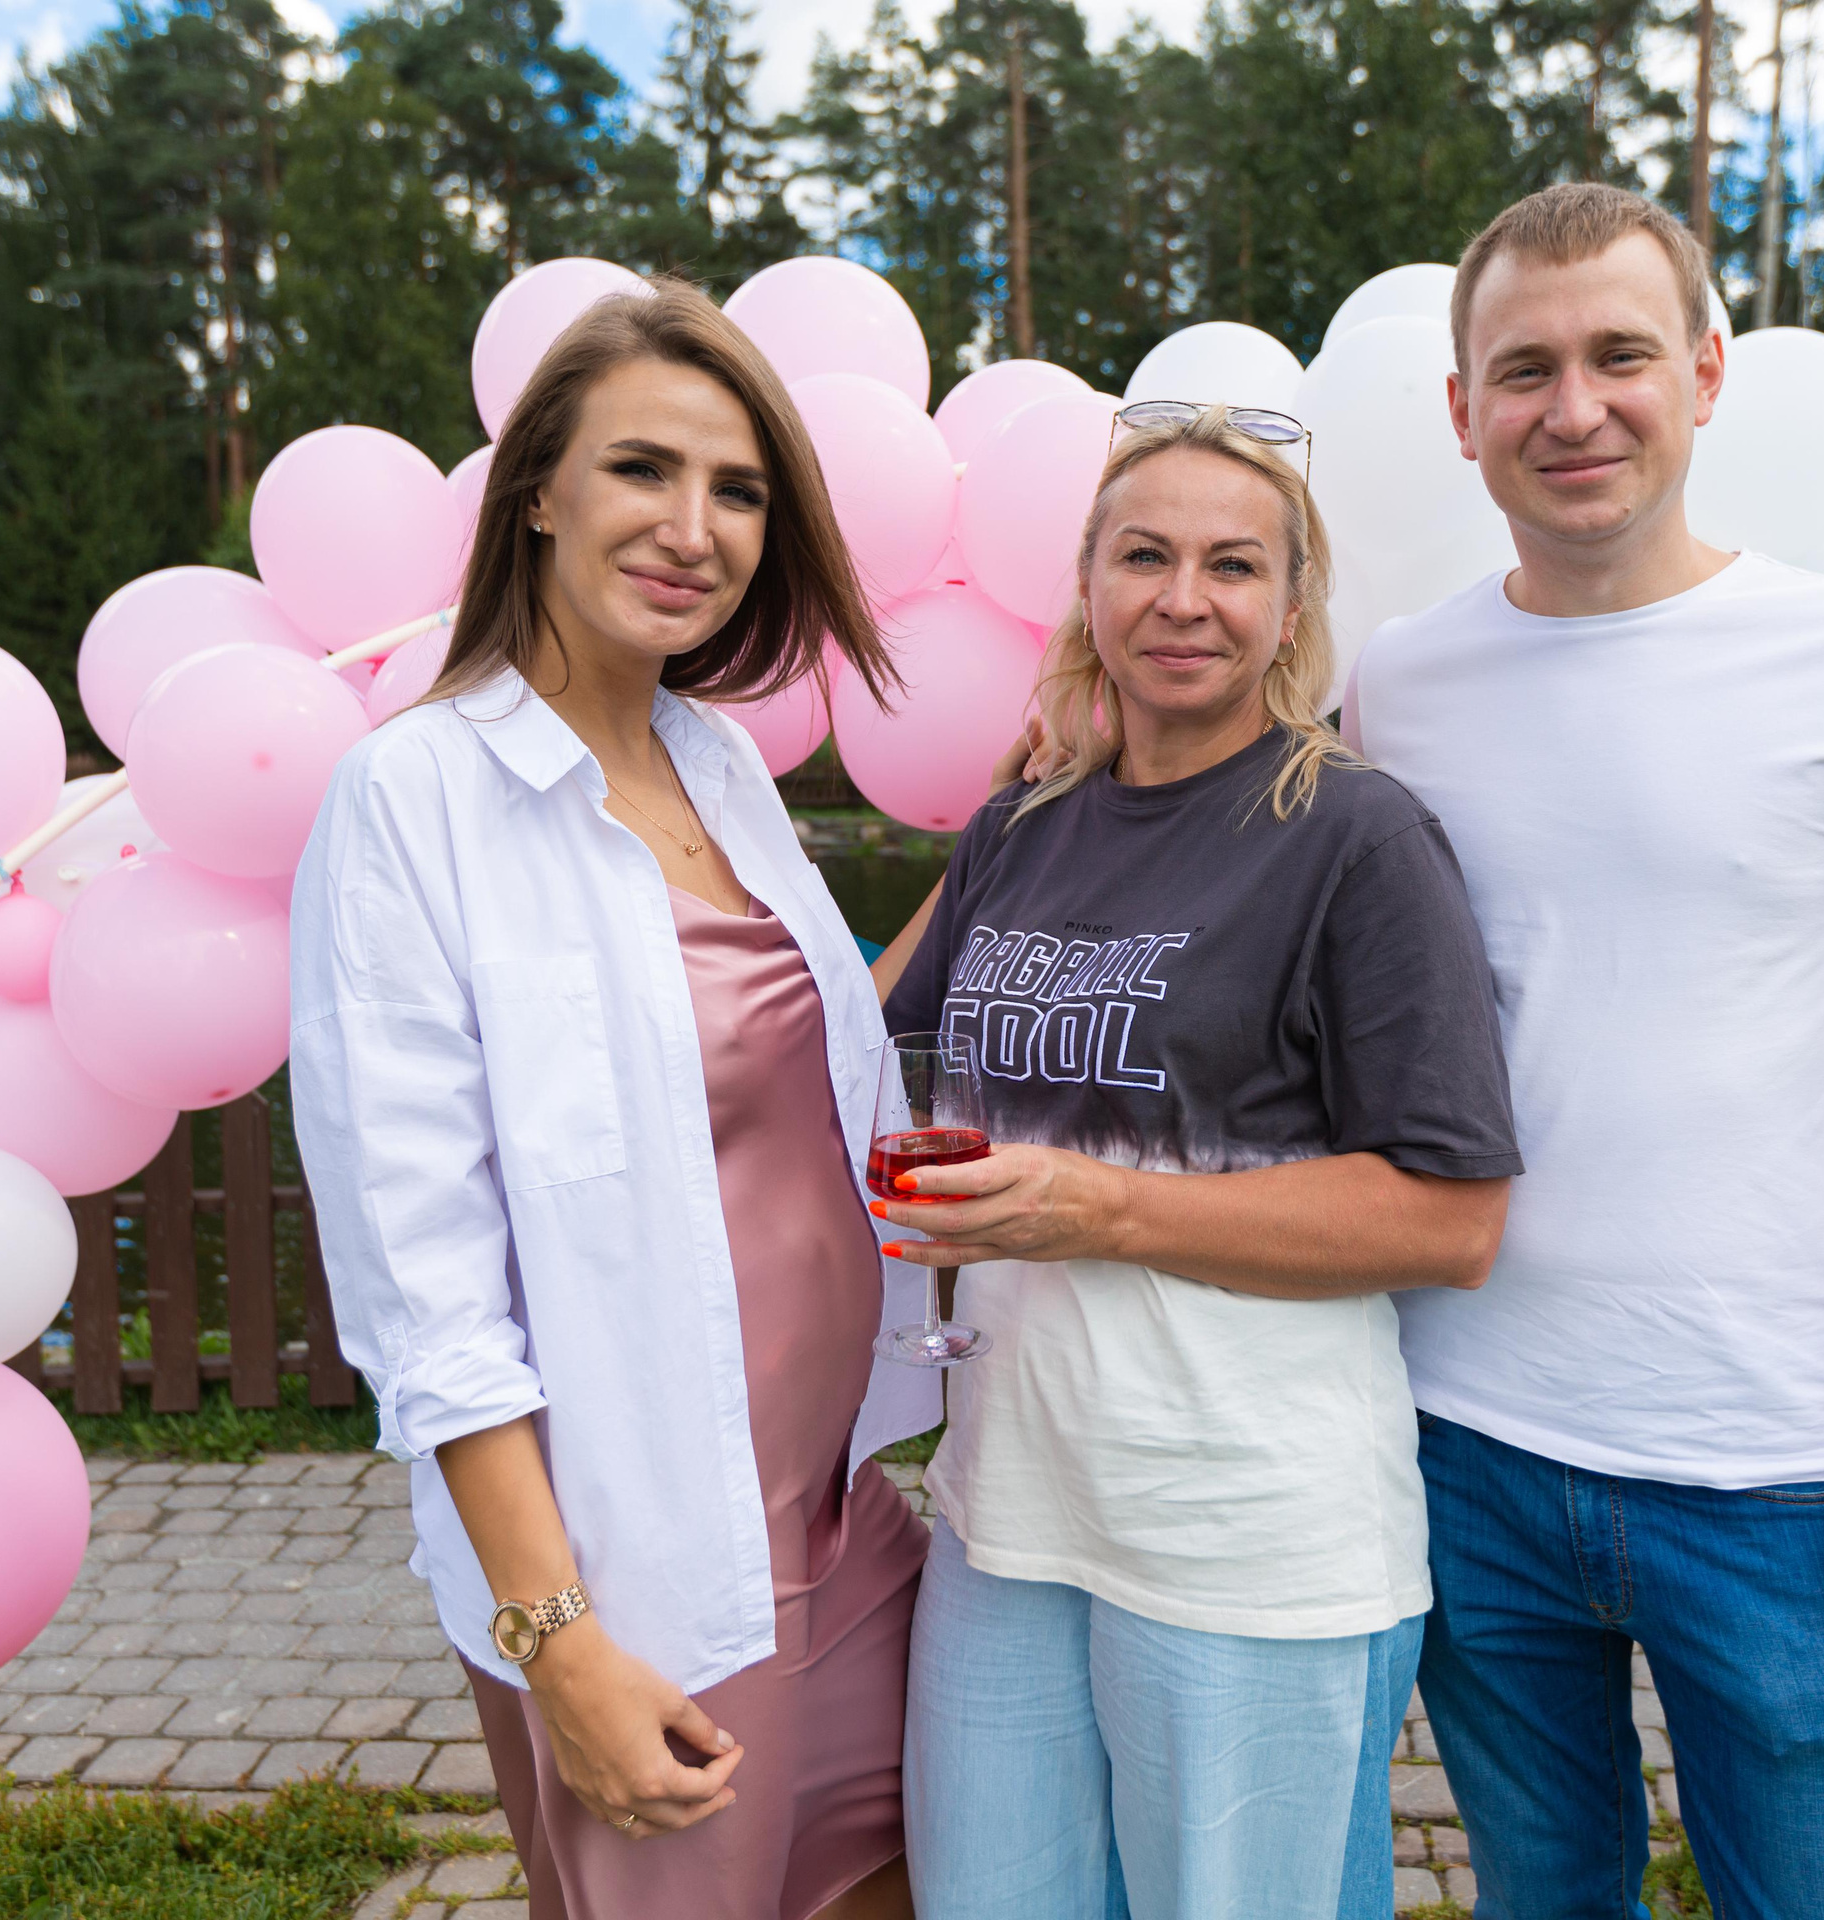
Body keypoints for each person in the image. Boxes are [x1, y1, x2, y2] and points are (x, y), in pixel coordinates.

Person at [1344, 185, 1824, 1917]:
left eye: (1620, 356)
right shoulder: (1395, 687)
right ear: (1462, 414)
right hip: (1457, 1440)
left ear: (1707, 374)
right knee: (1543, 1896)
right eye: (1524, 370)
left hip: (1771, 1471)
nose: (1573, 408)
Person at [289, 280, 940, 1920]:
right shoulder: (413, 799)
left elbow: (790, 1053)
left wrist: (999, 847)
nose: (696, 527)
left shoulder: (717, 761)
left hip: (848, 1518)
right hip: (647, 1571)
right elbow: (420, 1293)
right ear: (538, 496)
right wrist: (556, 1640)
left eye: (738, 490)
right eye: (644, 469)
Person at [866, 403, 1523, 1920]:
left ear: (1294, 607)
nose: (1183, 596)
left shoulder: (1355, 836)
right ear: (1086, 586)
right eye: (1143, 555)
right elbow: (871, 1050)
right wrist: (996, 814)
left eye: (1234, 565)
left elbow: (1453, 1216)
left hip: (1247, 1530)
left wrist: (1101, 1206)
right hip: (1009, 1506)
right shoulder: (1026, 827)